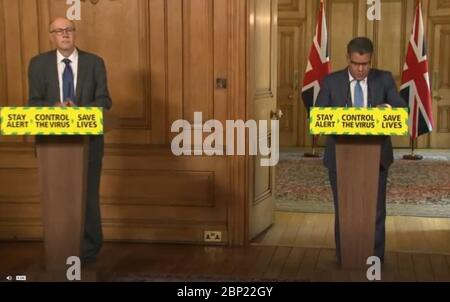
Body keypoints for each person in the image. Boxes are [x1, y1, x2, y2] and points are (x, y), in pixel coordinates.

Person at [28, 17, 112, 264]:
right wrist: (55, 107)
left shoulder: (94, 63)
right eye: (59, 31)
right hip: (51, 148)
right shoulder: (38, 64)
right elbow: (33, 103)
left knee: (87, 196)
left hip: (88, 146)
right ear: (51, 36)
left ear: (75, 34)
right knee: (57, 199)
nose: (65, 34)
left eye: (69, 30)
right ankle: (59, 251)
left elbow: (104, 101)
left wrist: (79, 111)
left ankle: (88, 250)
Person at [315, 37, 406, 264]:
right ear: (348, 59)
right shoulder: (331, 81)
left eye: (365, 64)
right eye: (356, 63)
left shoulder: (383, 79)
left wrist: (384, 109)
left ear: (371, 60)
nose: (360, 69)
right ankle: (345, 256)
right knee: (344, 210)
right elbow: (317, 116)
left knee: (375, 211)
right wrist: (347, 116)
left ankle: (374, 258)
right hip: (339, 156)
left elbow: (401, 110)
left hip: (376, 158)